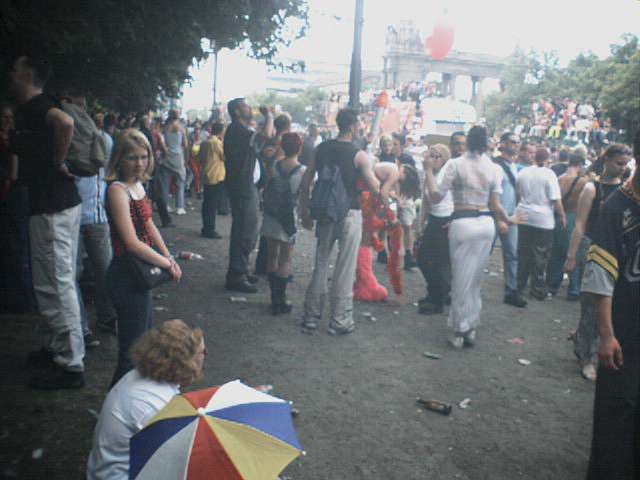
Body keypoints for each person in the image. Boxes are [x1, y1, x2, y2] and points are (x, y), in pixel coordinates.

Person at [9, 54, 87, 389]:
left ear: (27, 73)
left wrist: (56, 161)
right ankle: (58, 348)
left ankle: (70, 365)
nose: (10, 74)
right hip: (57, 205)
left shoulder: (39, 105)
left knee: (57, 283)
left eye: (14, 69)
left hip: (53, 207)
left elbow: (65, 124)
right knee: (56, 281)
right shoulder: (37, 107)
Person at [423, 126, 518, 349]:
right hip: (486, 224)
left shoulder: (456, 165)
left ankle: (459, 329)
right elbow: (496, 205)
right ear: (486, 143)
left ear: (468, 142)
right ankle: (470, 326)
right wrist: (510, 219)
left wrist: (428, 171)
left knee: (460, 278)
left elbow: (436, 197)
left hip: (462, 222)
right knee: (475, 279)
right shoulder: (494, 169)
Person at [581, 131, 640, 479]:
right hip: (623, 326)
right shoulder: (617, 207)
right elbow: (601, 276)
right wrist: (605, 334)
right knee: (618, 404)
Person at [105, 129, 182, 387]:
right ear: (119, 159)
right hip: (125, 275)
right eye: (132, 157)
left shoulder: (138, 185)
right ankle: (112, 411)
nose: (139, 163)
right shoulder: (117, 190)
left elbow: (149, 226)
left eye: (144, 156)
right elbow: (131, 242)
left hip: (139, 274)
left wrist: (168, 255)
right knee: (132, 351)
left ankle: (131, 404)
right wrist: (166, 263)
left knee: (144, 344)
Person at [86, 319, 206, 480]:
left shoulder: (141, 377)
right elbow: (176, 456)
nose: (205, 357)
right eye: (203, 352)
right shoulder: (152, 405)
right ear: (186, 359)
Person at [299, 108, 380, 336]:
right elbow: (374, 187)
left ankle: (311, 317)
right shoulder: (359, 155)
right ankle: (340, 320)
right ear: (353, 127)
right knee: (345, 267)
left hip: (324, 211)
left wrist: (305, 211)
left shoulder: (320, 149)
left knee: (321, 263)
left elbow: (306, 181)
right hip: (349, 213)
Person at [564, 143, 631, 381]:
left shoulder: (627, 189)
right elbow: (580, 224)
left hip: (619, 252)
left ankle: (586, 339)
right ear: (607, 161)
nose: (623, 169)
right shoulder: (592, 188)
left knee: (608, 306)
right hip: (592, 249)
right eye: (619, 164)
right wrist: (571, 256)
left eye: (626, 164)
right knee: (592, 305)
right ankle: (587, 358)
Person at [64, 92, 118, 343]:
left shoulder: (104, 140)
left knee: (104, 270)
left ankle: (106, 318)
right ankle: (81, 327)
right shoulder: (61, 140)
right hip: (72, 215)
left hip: (94, 215)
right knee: (72, 275)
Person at [224, 98, 273, 293]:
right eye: (245, 104)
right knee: (245, 232)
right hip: (243, 187)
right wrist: (268, 114)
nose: (249, 107)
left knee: (247, 231)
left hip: (245, 186)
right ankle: (236, 275)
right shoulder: (238, 130)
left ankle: (241, 271)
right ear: (236, 111)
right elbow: (266, 135)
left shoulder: (239, 130)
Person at [262, 132, 306, 314]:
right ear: (299, 148)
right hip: (289, 218)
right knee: (285, 258)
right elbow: (304, 196)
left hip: (271, 215)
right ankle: (281, 300)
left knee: (272, 256)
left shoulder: (274, 165)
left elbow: (266, 187)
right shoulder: (303, 171)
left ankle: (273, 298)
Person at [515, 147, 567, 301]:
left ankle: (520, 285)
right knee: (540, 254)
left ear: (534, 157)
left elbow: (518, 194)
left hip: (523, 214)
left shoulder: (523, 172)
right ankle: (537, 289)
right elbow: (556, 199)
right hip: (543, 219)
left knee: (523, 252)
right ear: (547, 159)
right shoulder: (549, 174)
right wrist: (562, 215)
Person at [546, 152, 588, 299]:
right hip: (573, 217)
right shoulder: (583, 182)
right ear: (580, 165)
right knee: (572, 253)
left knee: (556, 253)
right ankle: (574, 289)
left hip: (559, 217)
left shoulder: (559, 178)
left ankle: (552, 285)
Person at [416, 143, 452, 315]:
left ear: (441, 159)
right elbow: (425, 200)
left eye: (433, 155)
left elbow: (436, 195)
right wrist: (420, 223)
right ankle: (435, 293)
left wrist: (429, 171)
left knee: (437, 263)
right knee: (423, 259)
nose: (429, 159)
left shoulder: (445, 174)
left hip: (445, 220)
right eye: (429, 155)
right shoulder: (429, 173)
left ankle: (437, 299)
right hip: (434, 219)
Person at [494, 132, 527, 308]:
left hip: (511, 217)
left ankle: (511, 290)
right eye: (512, 142)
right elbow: (491, 194)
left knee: (512, 255)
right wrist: (500, 219)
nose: (516, 145)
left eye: (518, 142)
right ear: (503, 144)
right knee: (481, 254)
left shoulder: (515, 166)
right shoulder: (495, 165)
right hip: (494, 216)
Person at [157, 110, 187, 216]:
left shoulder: (165, 127)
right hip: (178, 157)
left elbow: (161, 143)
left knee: (165, 183)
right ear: (178, 116)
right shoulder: (181, 127)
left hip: (166, 156)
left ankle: (165, 205)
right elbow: (185, 144)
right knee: (180, 182)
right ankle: (180, 207)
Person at [199, 121, 225, 239]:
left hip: (206, 174)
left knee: (207, 203)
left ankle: (206, 227)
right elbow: (224, 157)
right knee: (212, 205)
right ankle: (210, 229)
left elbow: (200, 158)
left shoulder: (205, 142)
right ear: (221, 131)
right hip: (216, 175)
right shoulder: (217, 143)